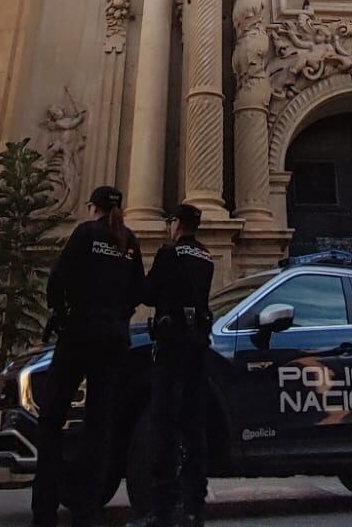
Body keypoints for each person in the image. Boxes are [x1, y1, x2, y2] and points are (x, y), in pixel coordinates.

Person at [33, 185, 145, 527]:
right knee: (101, 425)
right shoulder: (129, 241)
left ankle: (45, 511)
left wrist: (63, 313)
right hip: (112, 339)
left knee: (51, 418)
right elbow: (139, 290)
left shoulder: (86, 233)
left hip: (79, 334)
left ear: (93, 206)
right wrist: (119, 317)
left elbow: (59, 277)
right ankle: (88, 511)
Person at [136, 203, 215, 527]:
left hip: (172, 347)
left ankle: (162, 507)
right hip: (198, 346)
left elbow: (149, 294)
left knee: (164, 426)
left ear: (177, 224)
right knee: (194, 426)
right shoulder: (207, 258)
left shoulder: (169, 255)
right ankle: (195, 504)